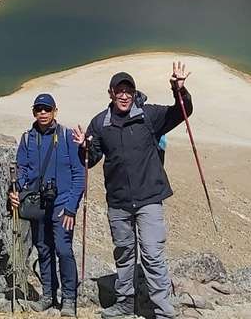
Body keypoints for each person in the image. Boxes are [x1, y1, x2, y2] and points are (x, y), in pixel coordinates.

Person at [75, 64, 192, 319]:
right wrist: (84, 147)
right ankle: (125, 303)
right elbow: (91, 158)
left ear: (134, 93)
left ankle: (162, 311)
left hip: (149, 197)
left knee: (152, 254)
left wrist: (179, 90)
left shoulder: (148, 116)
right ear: (111, 94)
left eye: (129, 91)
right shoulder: (100, 123)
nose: (125, 95)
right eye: (120, 91)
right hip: (118, 202)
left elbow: (181, 112)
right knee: (124, 254)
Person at [10, 93, 86, 317]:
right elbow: (22, 170)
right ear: (34, 112)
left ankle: (69, 299)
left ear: (55, 111)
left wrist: (71, 207)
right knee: (43, 250)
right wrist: (15, 191)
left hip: (62, 204)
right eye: (39, 109)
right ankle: (48, 296)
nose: (43, 113)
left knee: (63, 249)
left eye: (47, 109)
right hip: (38, 203)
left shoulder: (67, 137)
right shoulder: (27, 139)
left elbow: (78, 176)